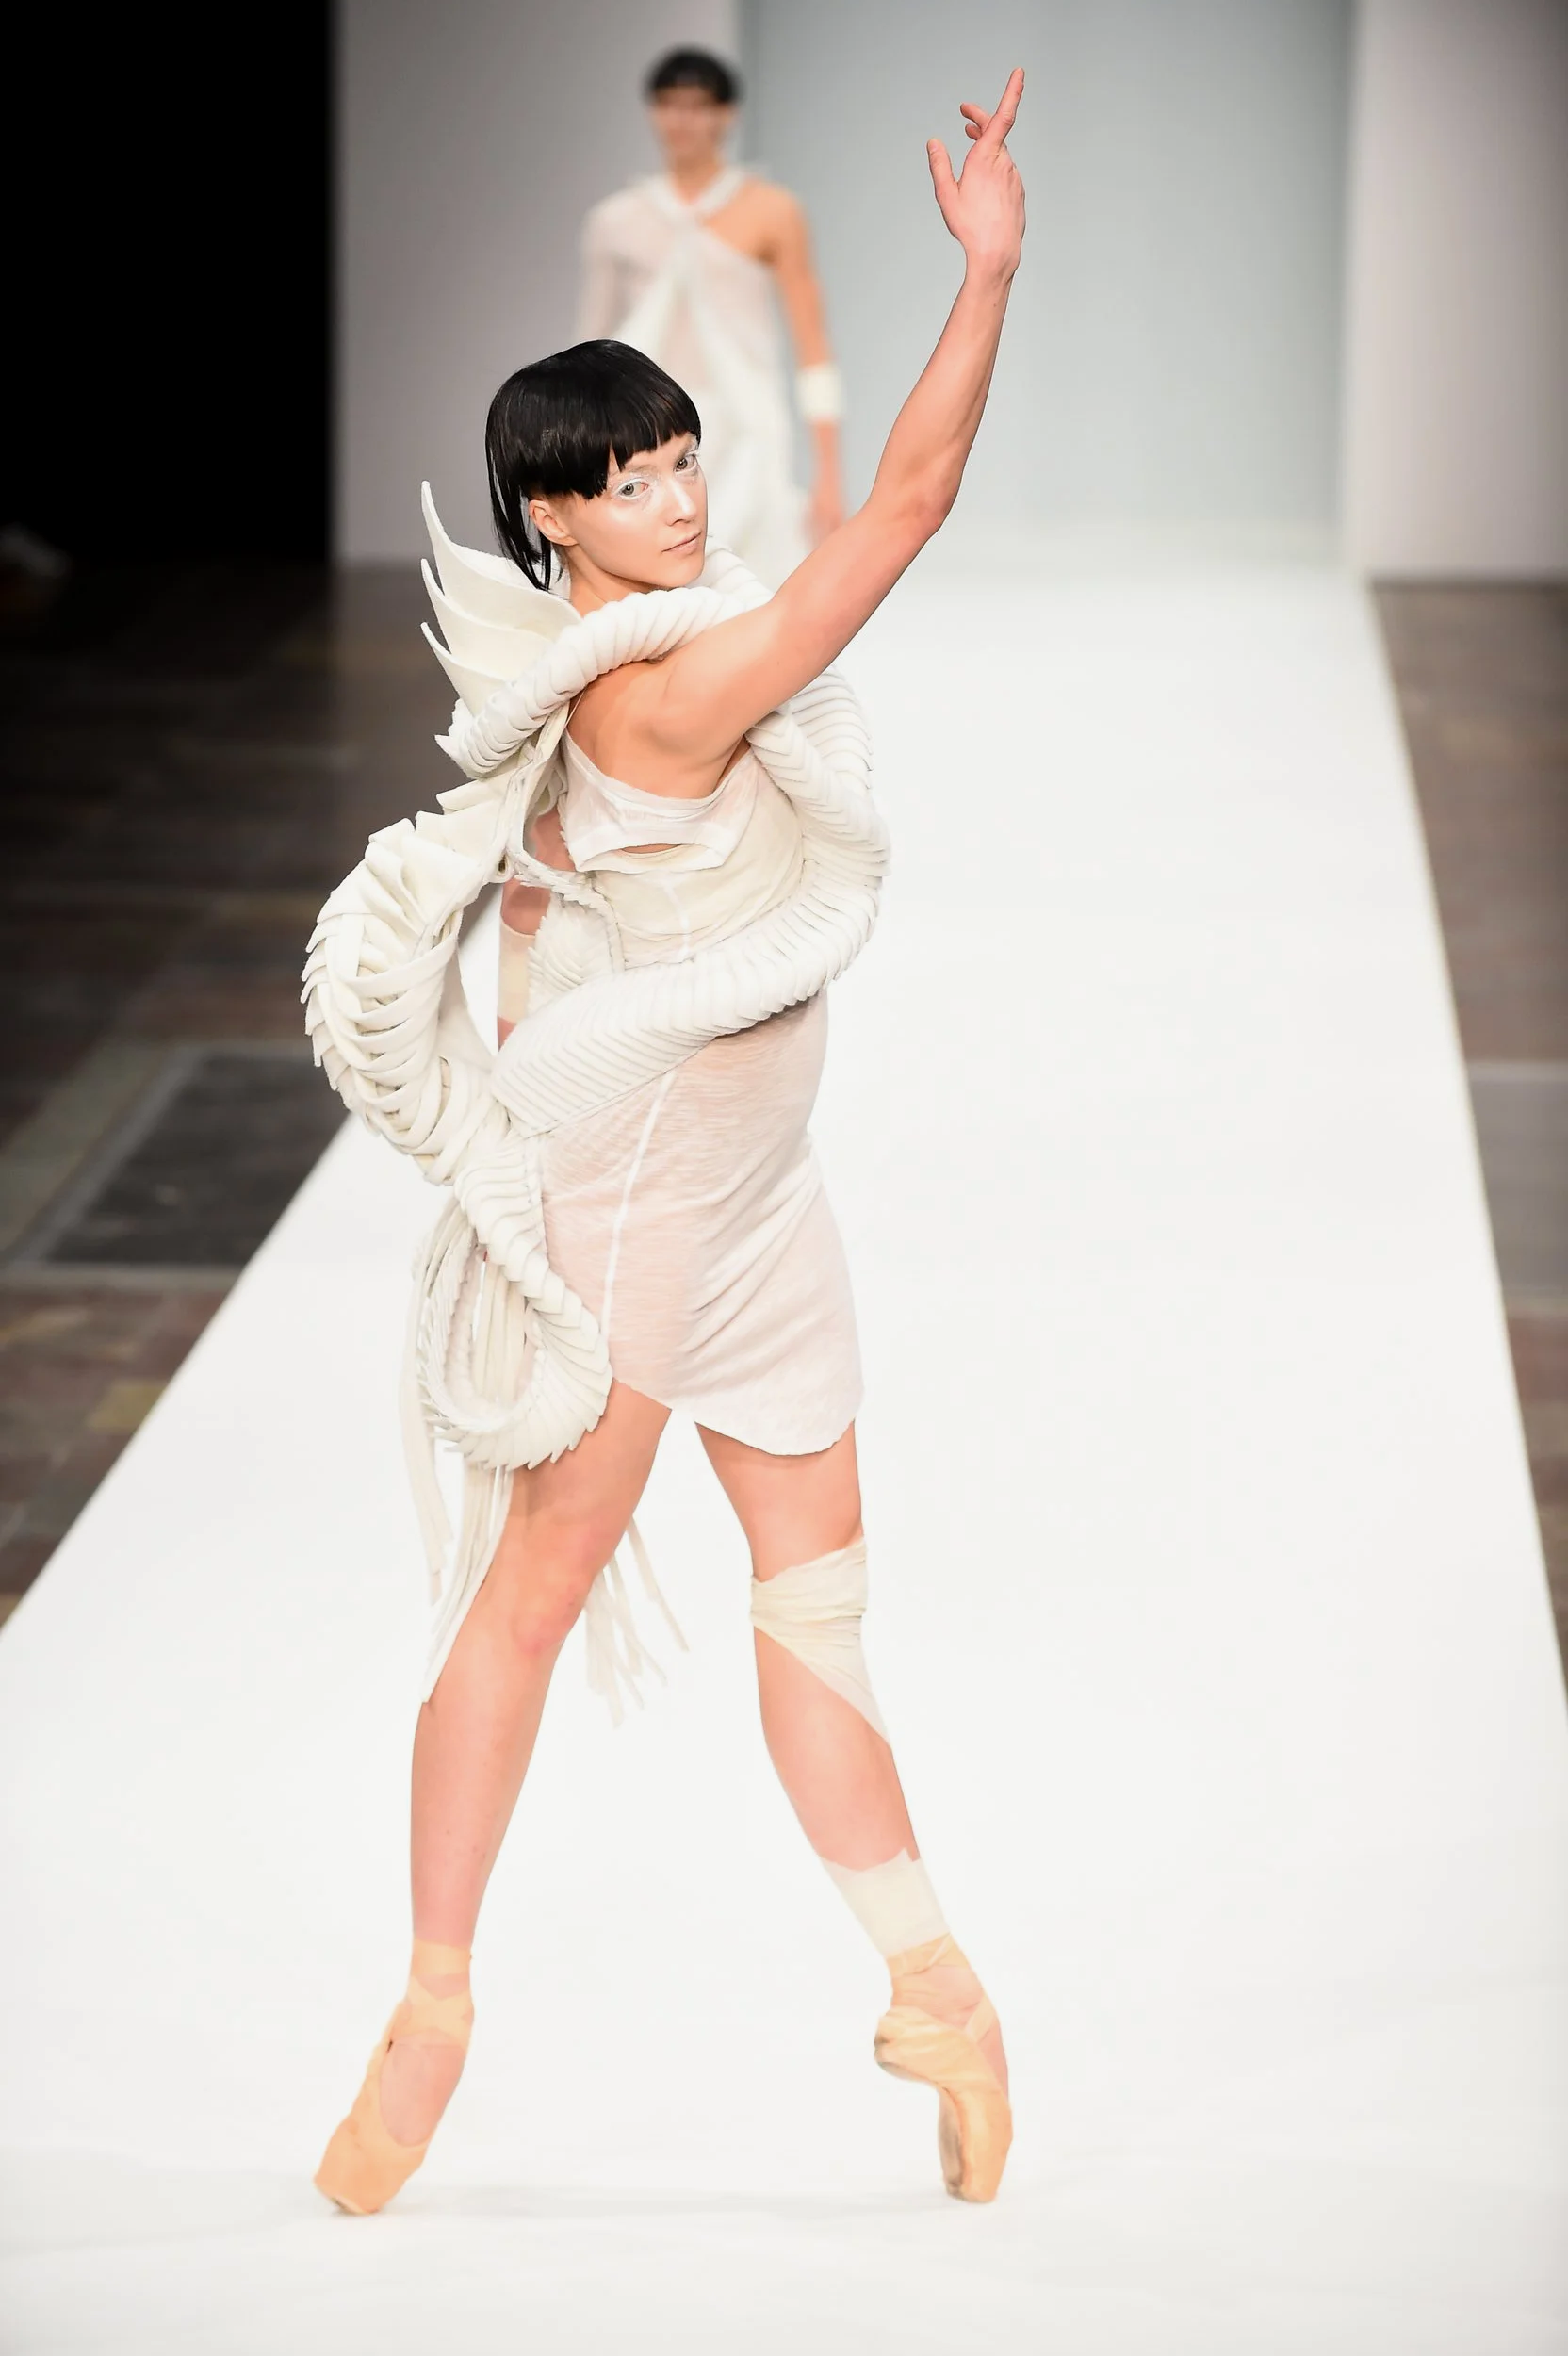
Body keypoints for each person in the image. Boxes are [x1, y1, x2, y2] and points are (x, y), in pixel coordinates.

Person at [307, 71, 1026, 2216]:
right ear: (558, 529)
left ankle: (936, 1991)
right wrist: (986, 271)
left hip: (758, 1214)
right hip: (630, 1218)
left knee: (817, 1617)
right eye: (628, 482)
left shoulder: (650, 660)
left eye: (685, 457)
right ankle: (431, 1998)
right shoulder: (656, 694)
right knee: (529, 1600)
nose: (679, 498)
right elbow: (897, 511)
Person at [577, 46, 842, 585]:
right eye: (669, 104)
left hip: (748, 429)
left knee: (752, 588)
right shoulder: (616, 221)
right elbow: (588, 345)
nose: (682, 120)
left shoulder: (773, 212)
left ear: (727, 114)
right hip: (640, 429)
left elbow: (812, 344)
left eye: (697, 106)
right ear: (652, 111)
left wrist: (829, 471)